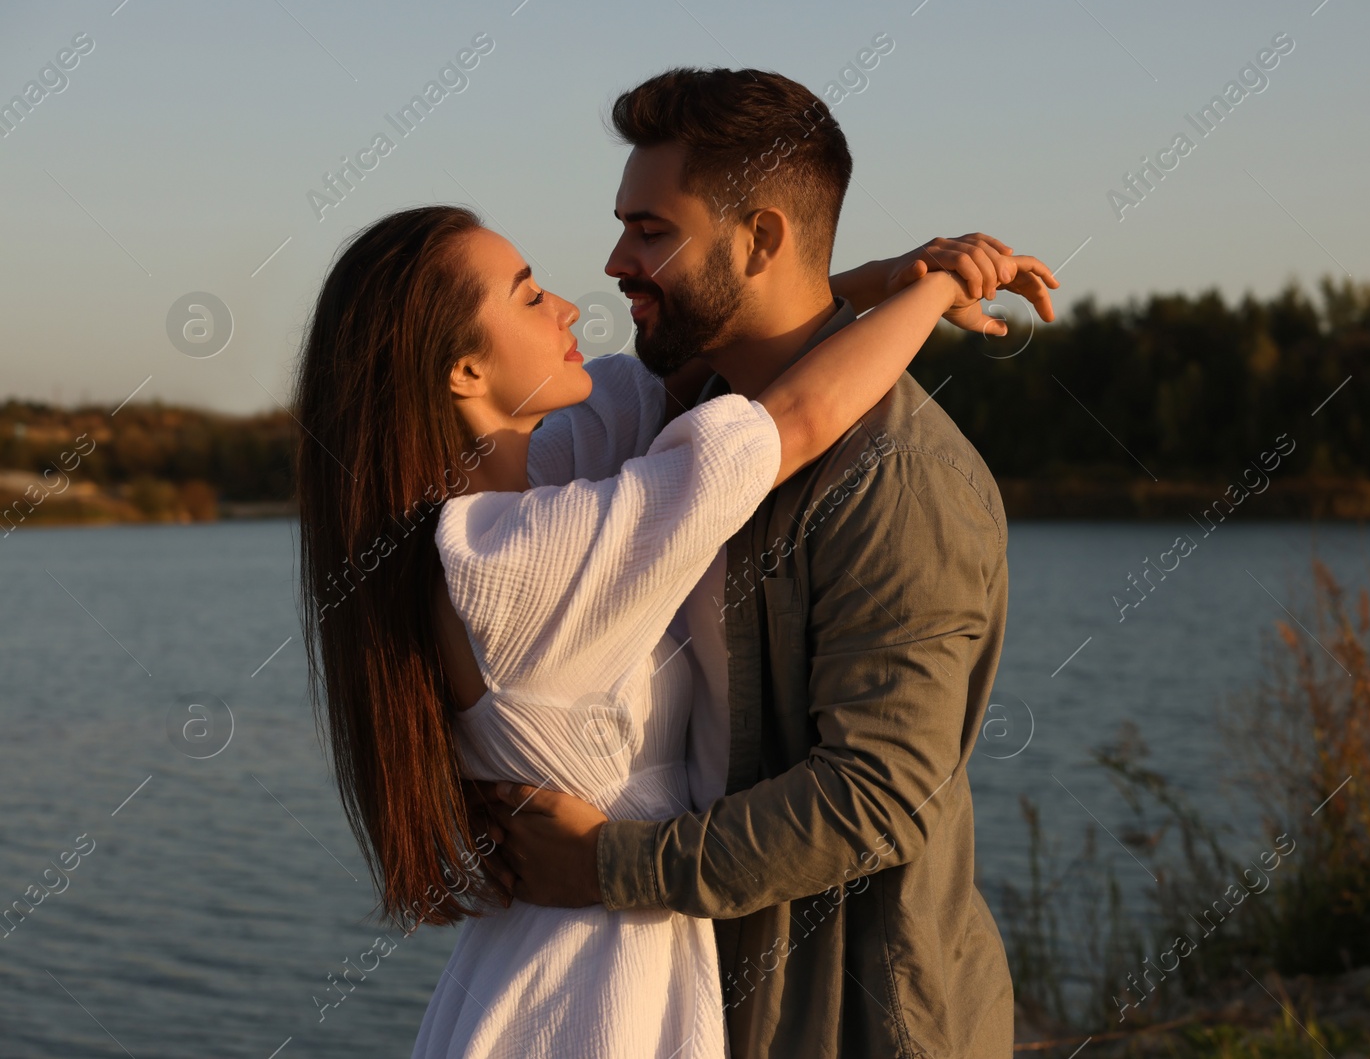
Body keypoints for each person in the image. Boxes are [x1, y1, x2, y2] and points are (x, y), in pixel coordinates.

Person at [292, 199, 1053, 1056]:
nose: (570, 306)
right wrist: (941, 286)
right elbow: (795, 417)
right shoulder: (522, 562)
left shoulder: (539, 482)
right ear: (466, 371)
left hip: (554, 962)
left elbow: (722, 347)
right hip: (594, 992)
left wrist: (882, 281)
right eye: (528, 294)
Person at [481, 67, 1056, 1058]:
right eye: (623, 225)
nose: (615, 260)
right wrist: (888, 281)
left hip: (854, 1023)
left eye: (651, 229)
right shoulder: (679, 422)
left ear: (759, 240)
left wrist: (607, 865)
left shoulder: (896, 476)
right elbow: (781, 345)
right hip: (704, 1005)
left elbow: (878, 792)